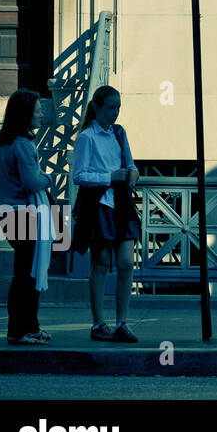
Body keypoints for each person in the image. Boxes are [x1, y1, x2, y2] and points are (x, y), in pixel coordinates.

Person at [71, 85, 141, 343]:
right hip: (100, 204)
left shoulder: (120, 133)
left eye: (118, 108)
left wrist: (133, 173)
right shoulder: (87, 138)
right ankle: (98, 323)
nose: (115, 113)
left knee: (126, 262)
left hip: (122, 202)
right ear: (98, 107)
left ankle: (122, 321)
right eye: (111, 107)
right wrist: (108, 177)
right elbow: (79, 175)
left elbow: (131, 164)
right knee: (100, 263)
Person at [0, 89, 55, 345]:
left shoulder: (5, 142)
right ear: (26, 114)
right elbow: (32, 182)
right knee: (27, 274)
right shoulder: (23, 145)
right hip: (24, 215)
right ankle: (18, 330)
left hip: (8, 213)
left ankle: (28, 326)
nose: (41, 114)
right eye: (37, 110)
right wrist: (50, 178)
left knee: (25, 272)